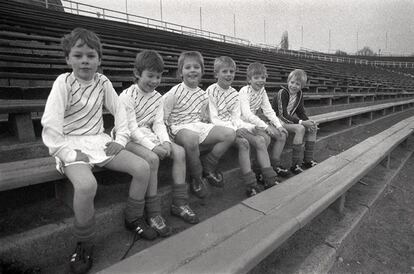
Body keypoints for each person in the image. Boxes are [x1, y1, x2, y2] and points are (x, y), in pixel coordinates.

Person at [41, 28, 157, 274]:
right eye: (79, 55)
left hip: (99, 140)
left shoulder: (103, 82)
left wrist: (121, 138)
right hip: (70, 143)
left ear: (99, 60)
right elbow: (51, 124)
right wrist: (69, 154)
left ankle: (133, 217)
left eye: (91, 56)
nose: (85, 60)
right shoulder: (63, 83)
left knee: (142, 167)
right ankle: (85, 243)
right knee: (86, 186)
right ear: (68, 59)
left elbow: (120, 110)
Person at [119, 50, 199, 225]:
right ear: (137, 74)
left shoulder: (157, 97)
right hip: (127, 138)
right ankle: (153, 212)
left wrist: (164, 141)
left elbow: (158, 123)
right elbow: (131, 129)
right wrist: (153, 147)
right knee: (152, 158)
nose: (154, 81)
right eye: (150, 76)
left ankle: (179, 203)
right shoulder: (127, 96)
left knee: (179, 152)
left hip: (147, 134)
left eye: (158, 77)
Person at [163, 51, 236, 200]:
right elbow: (163, 117)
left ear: (202, 71)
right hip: (179, 127)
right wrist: (166, 139)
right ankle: (197, 177)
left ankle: (208, 165)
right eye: (187, 67)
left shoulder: (203, 95)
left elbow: (202, 117)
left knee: (230, 134)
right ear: (180, 72)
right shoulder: (173, 93)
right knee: (191, 139)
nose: (192, 70)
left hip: (197, 126)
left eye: (196, 67)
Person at [206, 56, 279, 196]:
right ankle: (250, 185)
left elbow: (236, 117)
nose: (229, 75)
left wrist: (251, 127)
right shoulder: (211, 90)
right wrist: (236, 129)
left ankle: (268, 177)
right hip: (219, 130)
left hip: (235, 127)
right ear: (216, 74)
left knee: (261, 139)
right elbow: (213, 118)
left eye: (231, 71)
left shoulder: (234, 93)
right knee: (244, 143)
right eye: (224, 71)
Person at [239, 62, 289, 178]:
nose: (260, 80)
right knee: (265, 138)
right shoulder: (244, 91)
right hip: (244, 123)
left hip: (255, 122)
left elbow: (268, 111)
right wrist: (266, 127)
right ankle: (259, 170)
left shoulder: (262, 91)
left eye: (263, 77)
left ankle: (275, 164)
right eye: (256, 78)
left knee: (282, 135)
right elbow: (247, 114)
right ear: (249, 80)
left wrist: (279, 126)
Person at [272, 69, 318, 174]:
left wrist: (309, 122)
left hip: (288, 120)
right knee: (300, 128)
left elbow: (301, 112)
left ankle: (308, 160)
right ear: (288, 82)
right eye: (292, 82)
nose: (294, 86)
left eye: (298, 84)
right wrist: (302, 122)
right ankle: (295, 164)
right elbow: (282, 114)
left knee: (312, 128)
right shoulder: (282, 93)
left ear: (302, 86)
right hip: (277, 121)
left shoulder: (299, 94)